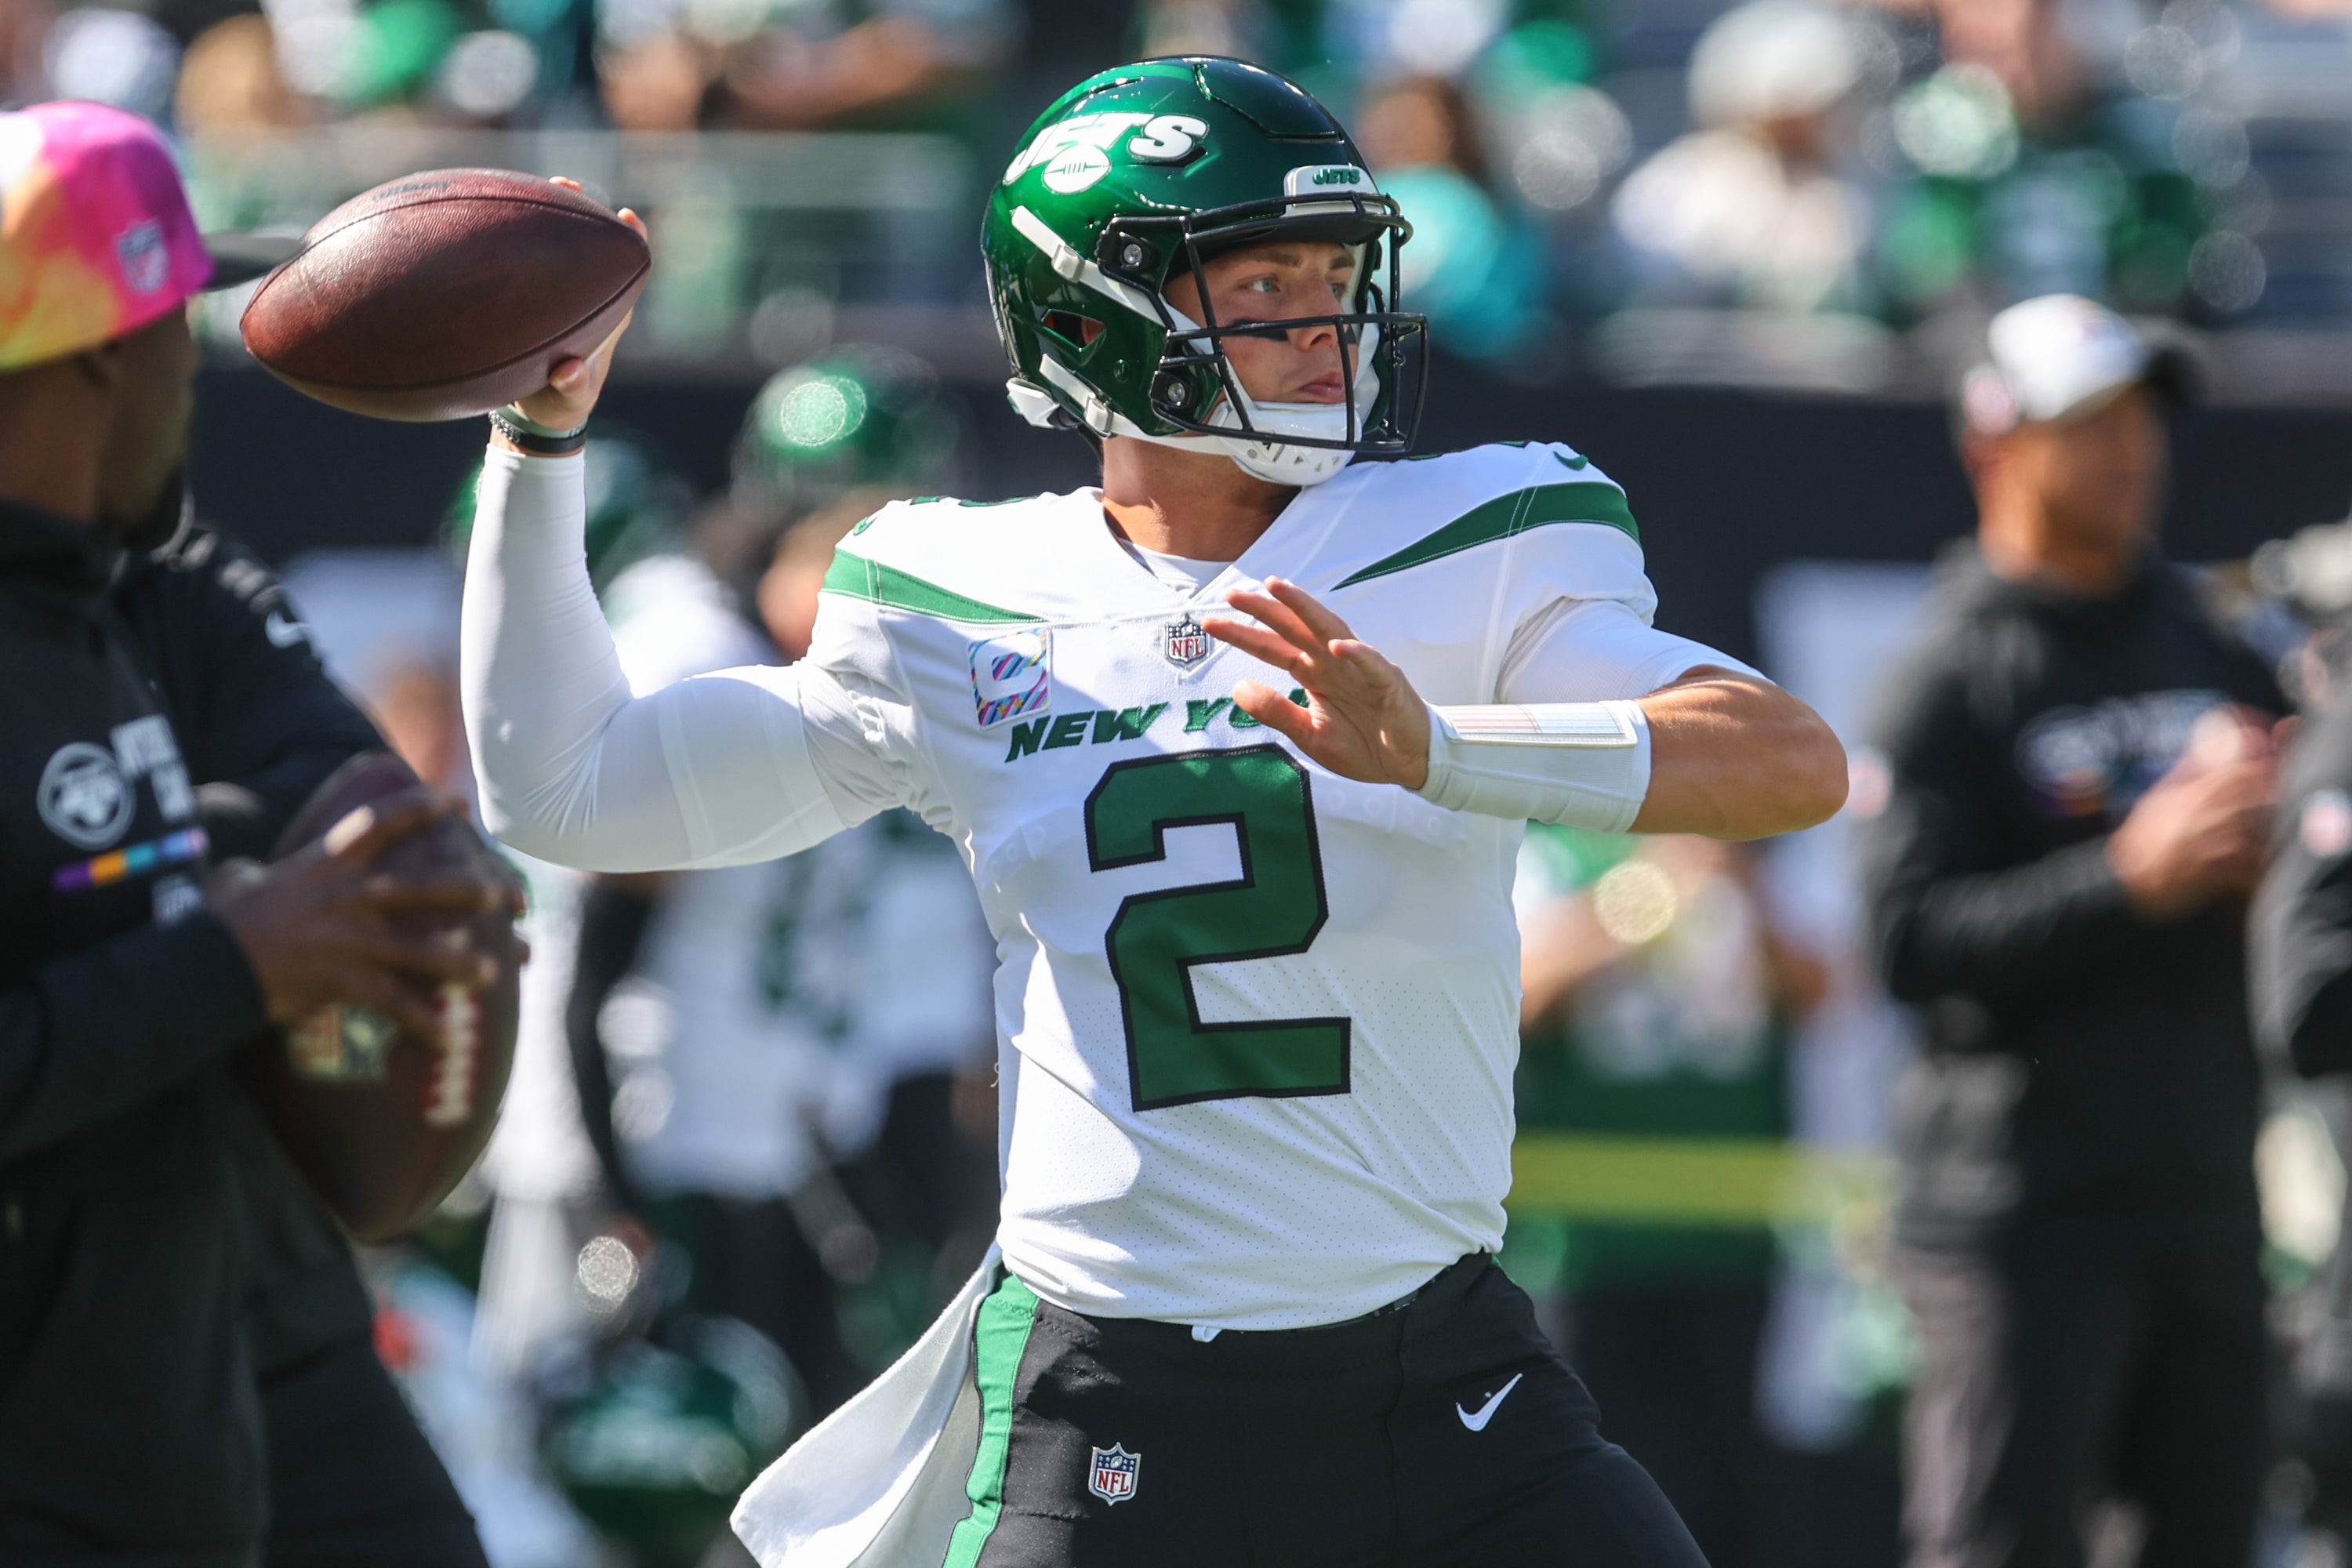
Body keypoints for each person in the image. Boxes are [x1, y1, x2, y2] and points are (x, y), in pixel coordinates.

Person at [462, 58, 1846, 1566]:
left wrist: (1442, 749)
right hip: (1102, 1392)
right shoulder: (954, 595)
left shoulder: (1479, 534)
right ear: (1089, 327)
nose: (1326, 327)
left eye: (1336, 275)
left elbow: (1784, 759)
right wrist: (536, 446)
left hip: (1431, 1373)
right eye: (1264, 286)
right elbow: (566, 787)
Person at [0, 101, 508, 1562]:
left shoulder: (128, 581)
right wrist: (232, 954)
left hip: (203, 1361)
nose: (201, 376)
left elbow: (348, 807)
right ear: (108, 347)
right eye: (184, 327)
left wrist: (390, 888)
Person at [1860, 292, 2283, 1568]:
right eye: (2085, 421)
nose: (2127, 449)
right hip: (2019, 1221)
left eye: (2138, 417)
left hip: (2206, 1199)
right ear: (1993, 443)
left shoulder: (2215, 639)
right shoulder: (1948, 671)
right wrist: (2131, 876)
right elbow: (1911, 947)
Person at [113, 524, 499, 1568]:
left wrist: (126, 876)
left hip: (266, 1285)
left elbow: (363, 803)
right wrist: (232, 929)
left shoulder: (168, 566)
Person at [1510, 829, 1826, 1568]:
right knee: (1582, 1475)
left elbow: (1825, 989)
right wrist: (1639, 899)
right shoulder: (1551, 848)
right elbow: (1519, 992)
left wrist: (1743, 889)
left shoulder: (1756, 853)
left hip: (1730, 1242)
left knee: (1723, 1490)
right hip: (1586, 1248)